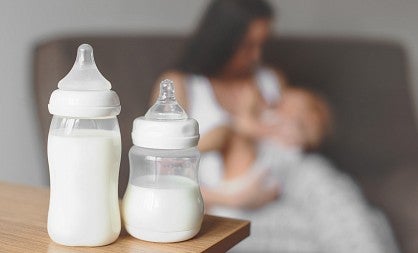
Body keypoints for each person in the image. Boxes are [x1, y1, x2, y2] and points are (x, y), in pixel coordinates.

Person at [151, 0, 399, 252]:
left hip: (286, 186)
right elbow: (160, 172)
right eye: (248, 45)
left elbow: (306, 128)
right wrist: (234, 198)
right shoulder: (179, 85)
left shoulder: (269, 79)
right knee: (363, 225)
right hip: (224, 201)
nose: (256, 55)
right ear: (222, 39)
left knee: (333, 195)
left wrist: (298, 130)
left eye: (262, 43)